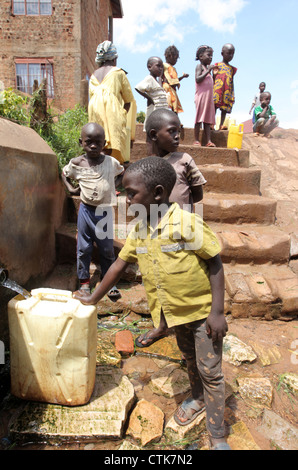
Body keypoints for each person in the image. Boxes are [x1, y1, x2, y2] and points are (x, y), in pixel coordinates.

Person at [73, 156, 230, 451]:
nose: (125, 197)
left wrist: (217, 312)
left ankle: (218, 432)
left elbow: (215, 262)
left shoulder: (185, 223)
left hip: (201, 314)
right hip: (173, 316)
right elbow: (119, 265)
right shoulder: (140, 230)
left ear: (157, 193)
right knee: (189, 360)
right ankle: (196, 397)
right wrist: (93, 298)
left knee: (211, 371)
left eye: (131, 193)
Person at [133, 108, 207, 347]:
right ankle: (163, 326)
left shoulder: (184, 160)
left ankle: (193, 328)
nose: (178, 136)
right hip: (156, 233)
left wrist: (185, 216)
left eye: (179, 131)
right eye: (172, 131)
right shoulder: (147, 166)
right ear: (154, 135)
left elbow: (197, 192)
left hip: (183, 232)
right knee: (159, 279)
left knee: (185, 279)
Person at [62, 122, 123, 298]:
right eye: (89, 142)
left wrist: (113, 186)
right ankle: (84, 283)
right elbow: (64, 174)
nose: (94, 146)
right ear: (81, 142)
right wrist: (71, 189)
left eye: (98, 142)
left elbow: (122, 173)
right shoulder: (77, 163)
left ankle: (108, 282)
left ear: (105, 143)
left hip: (104, 212)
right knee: (84, 248)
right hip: (86, 211)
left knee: (106, 249)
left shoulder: (111, 162)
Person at [88, 40, 135, 165]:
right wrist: (122, 114)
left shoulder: (93, 76)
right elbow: (128, 99)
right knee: (111, 143)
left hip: (94, 109)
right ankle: (108, 171)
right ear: (114, 59)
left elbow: (91, 95)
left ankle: (99, 169)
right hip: (112, 111)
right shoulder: (119, 72)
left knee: (97, 141)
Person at [135, 57, 169, 154]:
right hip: (153, 113)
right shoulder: (149, 78)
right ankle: (150, 157)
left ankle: (156, 156)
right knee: (150, 137)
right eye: (158, 66)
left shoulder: (156, 81)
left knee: (157, 137)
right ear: (149, 67)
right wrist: (149, 98)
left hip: (159, 114)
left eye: (162, 67)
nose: (160, 69)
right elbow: (138, 87)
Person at [194, 46, 216, 147]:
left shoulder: (208, 69)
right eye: (209, 55)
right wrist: (208, 71)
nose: (211, 57)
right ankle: (196, 140)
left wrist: (213, 74)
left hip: (208, 98)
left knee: (207, 120)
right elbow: (198, 79)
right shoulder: (200, 67)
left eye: (212, 55)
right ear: (201, 56)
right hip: (201, 96)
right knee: (199, 118)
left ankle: (208, 141)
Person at [213, 44, 237, 130]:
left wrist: (232, 93)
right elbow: (213, 78)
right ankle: (212, 124)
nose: (231, 56)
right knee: (214, 107)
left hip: (227, 90)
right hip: (217, 89)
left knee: (224, 109)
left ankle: (221, 125)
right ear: (222, 53)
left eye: (232, 54)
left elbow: (232, 81)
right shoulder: (217, 65)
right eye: (228, 53)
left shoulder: (231, 69)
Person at [162, 45, 189, 115]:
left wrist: (183, 77)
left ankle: (174, 122)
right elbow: (160, 77)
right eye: (175, 58)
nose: (176, 60)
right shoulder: (163, 65)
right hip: (166, 88)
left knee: (174, 108)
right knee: (167, 106)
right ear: (168, 56)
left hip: (173, 90)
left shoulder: (174, 69)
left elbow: (175, 81)